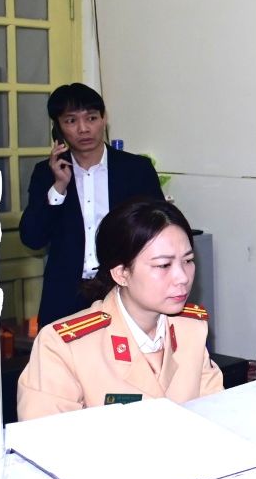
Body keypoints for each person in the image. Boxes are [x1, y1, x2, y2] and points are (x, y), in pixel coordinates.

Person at [17, 198, 223, 420]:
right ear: (121, 273)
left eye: (188, 260)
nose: (183, 277)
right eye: (163, 265)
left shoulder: (190, 328)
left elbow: (216, 418)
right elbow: (46, 442)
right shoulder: (64, 346)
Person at [19, 83, 164, 328]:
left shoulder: (135, 169)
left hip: (123, 288)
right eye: (71, 121)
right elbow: (32, 238)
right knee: (62, 364)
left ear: (104, 119)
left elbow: (158, 230)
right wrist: (58, 188)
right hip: (65, 293)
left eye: (91, 118)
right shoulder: (47, 173)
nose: (83, 129)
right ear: (58, 127)